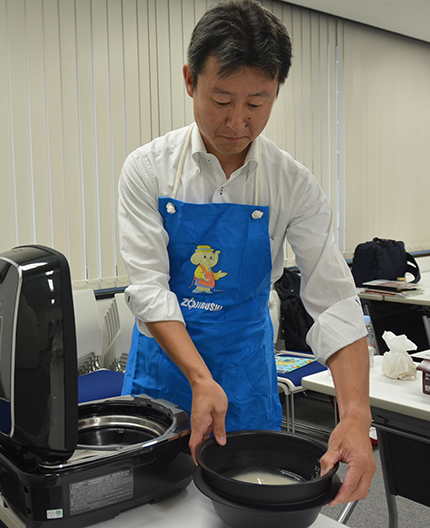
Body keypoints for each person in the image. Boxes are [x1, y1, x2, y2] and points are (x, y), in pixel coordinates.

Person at [118, 0, 375, 506]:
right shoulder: (148, 170)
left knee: (249, 503)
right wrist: (199, 378)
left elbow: (333, 301)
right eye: (221, 99)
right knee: (151, 507)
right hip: (165, 372)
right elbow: (149, 287)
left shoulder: (293, 184)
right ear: (190, 80)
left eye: (257, 103)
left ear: (276, 91)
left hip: (244, 374)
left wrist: (355, 414)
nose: (237, 121)